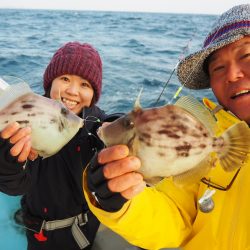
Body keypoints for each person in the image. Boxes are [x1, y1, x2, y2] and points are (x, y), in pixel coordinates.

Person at [84, 4, 250, 250]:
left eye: (246, 55)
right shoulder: (214, 134)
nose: (233, 74)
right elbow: (174, 216)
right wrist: (121, 203)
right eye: (218, 68)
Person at [0, 42, 121, 250]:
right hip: (40, 234)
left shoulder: (94, 120)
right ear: (51, 82)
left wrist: (119, 126)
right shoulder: (30, 117)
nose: (73, 91)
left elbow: (111, 119)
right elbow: (17, 185)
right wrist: (9, 161)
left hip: (84, 231)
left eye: (85, 84)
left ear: (93, 94)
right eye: (65, 79)